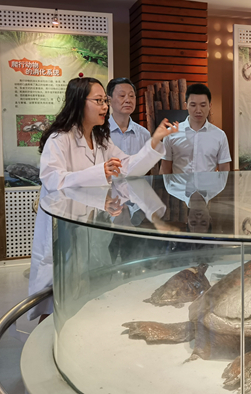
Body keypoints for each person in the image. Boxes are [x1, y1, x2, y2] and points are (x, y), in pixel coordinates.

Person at [28, 76, 179, 322]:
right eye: (98, 101)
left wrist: (154, 141)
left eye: (104, 102)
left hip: (89, 227)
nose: (104, 107)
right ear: (79, 102)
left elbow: (128, 167)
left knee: (84, 291)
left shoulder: (101, 140)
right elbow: (53, 180)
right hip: (62, 229)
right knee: (55, 292)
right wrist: (99, 173)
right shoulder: (60, 139)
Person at [160, 83, 231, 174]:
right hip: (180, 184)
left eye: (203, 105)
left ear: (210, 106)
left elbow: (224, 169)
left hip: (208, 183)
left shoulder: (219, 135)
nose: (198, 110)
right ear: (186, 105)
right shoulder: (171, 133)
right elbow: (165, 168)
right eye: (193, 105)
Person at [106, 77, 150, 155]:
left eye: (131, 96)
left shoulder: (144, 134)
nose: (128, 100)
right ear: (109, 100)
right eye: (122, 95)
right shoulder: (100, 132)